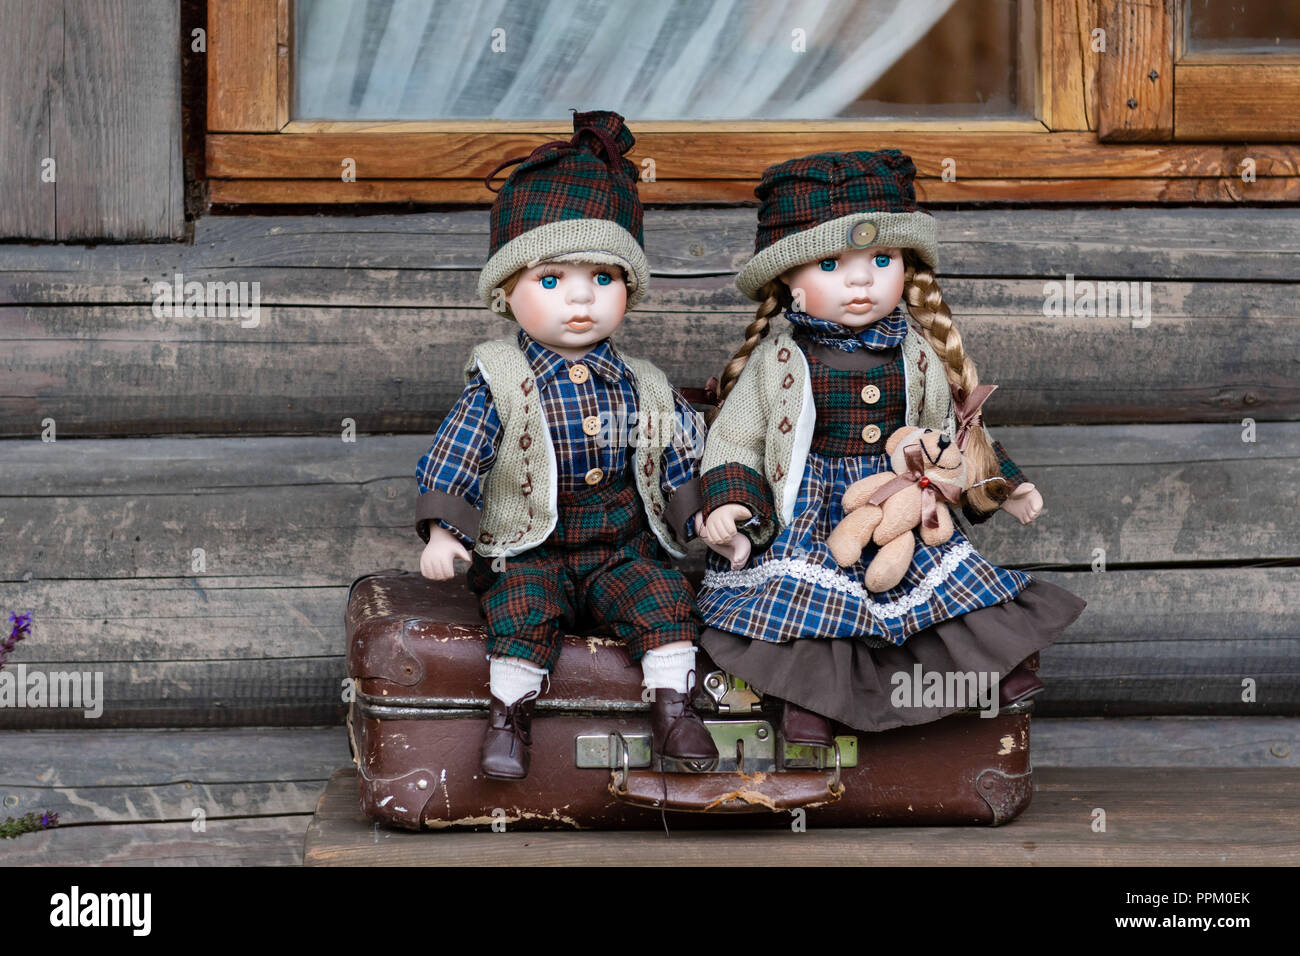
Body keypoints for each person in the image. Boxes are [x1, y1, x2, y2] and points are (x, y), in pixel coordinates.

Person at [693, 149, 1087, 745]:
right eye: (831, 263)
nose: (861, 280)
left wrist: (1002, 486)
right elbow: (735, 441)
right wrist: (730, 502)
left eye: (882, 260)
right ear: (789, 282)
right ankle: (809, 705)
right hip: (808, 506)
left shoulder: (918, 354)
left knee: (945, 587)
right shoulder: (777, 362)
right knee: (813, 600)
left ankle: (982, 678)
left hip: (902, 500)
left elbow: (952, 435)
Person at [416, 110, 718, 780]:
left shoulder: (644, 384)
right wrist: (444, 531)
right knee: (522, 609)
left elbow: (676, 459)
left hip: (620, 551)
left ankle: (675, 709)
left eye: (602, 279)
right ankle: (508, 719)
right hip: (531, 548)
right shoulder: (502, 380)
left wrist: (704, 518)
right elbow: (459, 454)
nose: (580, 298)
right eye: (552, 281)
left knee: (663, 597)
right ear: (508, 293)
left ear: (628, 291)